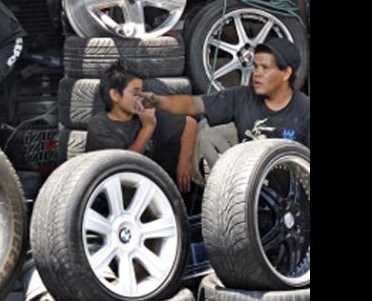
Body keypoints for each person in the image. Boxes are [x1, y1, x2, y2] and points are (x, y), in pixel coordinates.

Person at [136, 37, 310, 148]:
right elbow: (194, 105)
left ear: (286, 73)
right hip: (246, 194)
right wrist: (158, 101)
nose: (256, 73)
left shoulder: (305, 111)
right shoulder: (240, 97)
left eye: (265, 68)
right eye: (255, 66)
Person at [86, 62, 198, 192]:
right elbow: (126, 165)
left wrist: (185, 161)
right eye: (135, 93)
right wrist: (148, 127)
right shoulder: (100, 126)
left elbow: (189, 124)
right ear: (115, 95)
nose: (141, 98)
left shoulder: (144, 111)